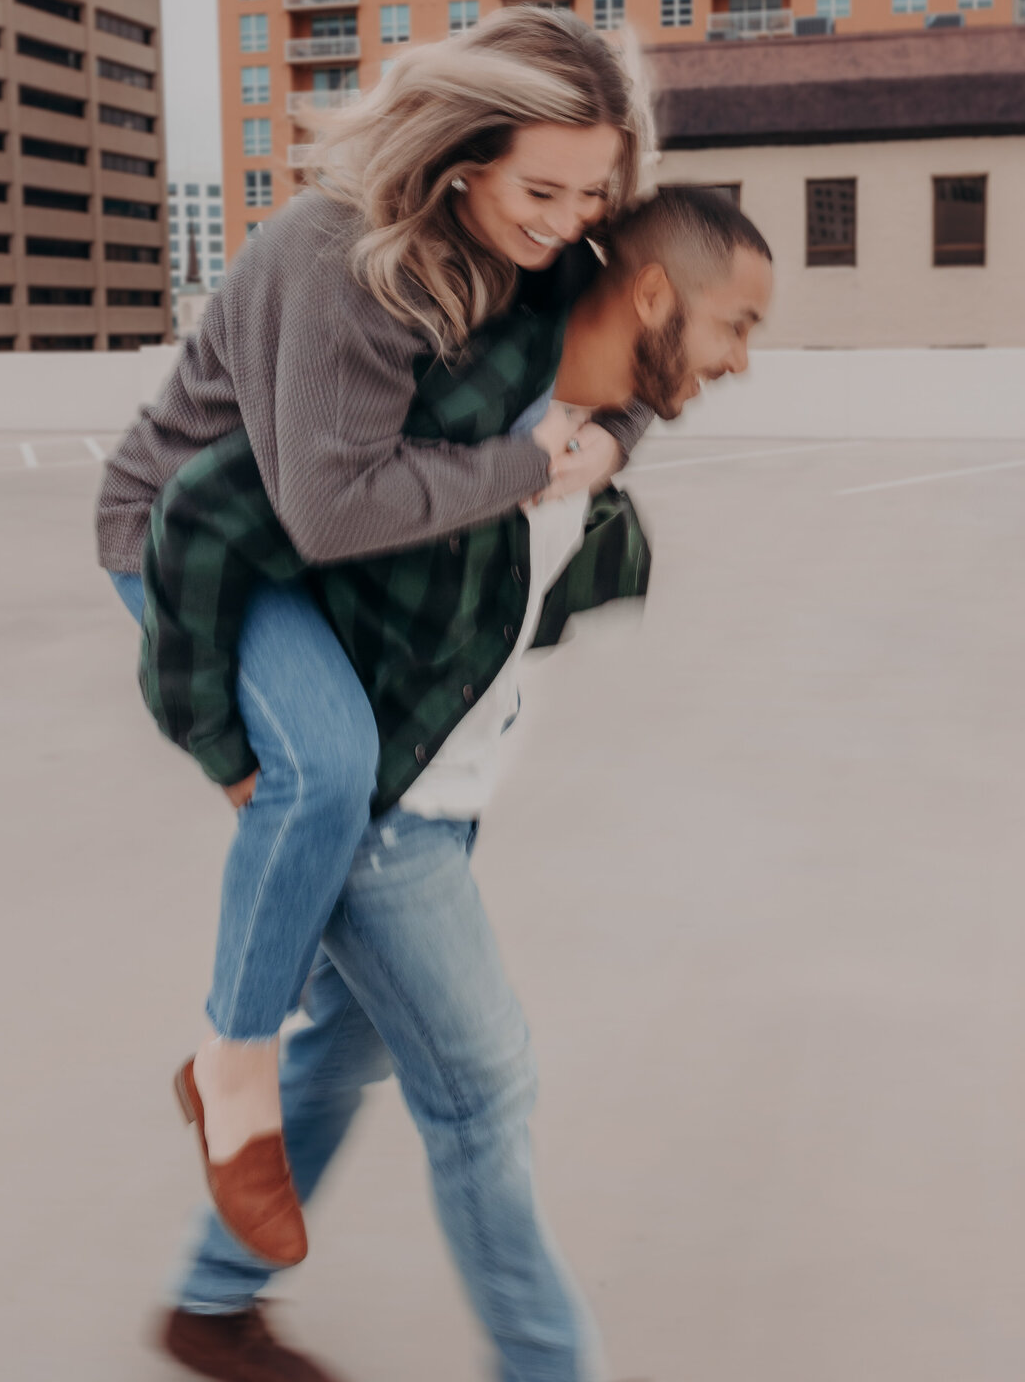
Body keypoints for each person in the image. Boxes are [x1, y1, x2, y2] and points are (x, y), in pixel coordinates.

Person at [128, 187, 774, 1382]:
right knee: (484, 1090)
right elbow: (204, 519)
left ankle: (212, 1303)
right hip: (388, 813)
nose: (743, 360)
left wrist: (612, 443)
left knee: (350, 1044)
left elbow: (624, 403)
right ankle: (545, 1363)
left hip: (452, 786)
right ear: (650, 297)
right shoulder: (464, 407)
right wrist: (225, 749)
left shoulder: (605, 401)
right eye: (736, 325)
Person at [96, 8, 655, 1265]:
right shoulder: (338, 253)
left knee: (359, 896)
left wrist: (610, 438)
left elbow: (630, 355)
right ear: (465, 154)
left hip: (315, 536)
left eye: (593, 192)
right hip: (199, 545)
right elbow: (334, 504)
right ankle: (228, 1069)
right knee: (331, 769)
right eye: (542, 189)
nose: (568, 220)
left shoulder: (554, 240)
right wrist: (522, 467)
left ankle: (218, 1288)